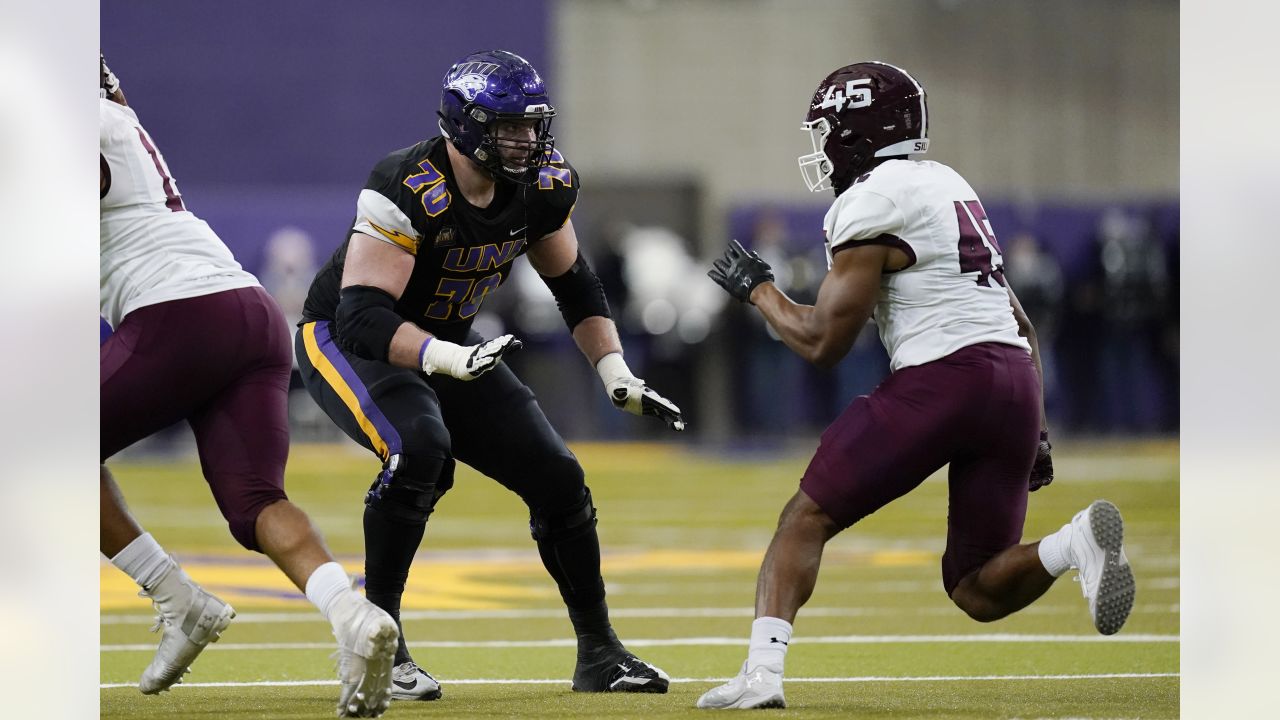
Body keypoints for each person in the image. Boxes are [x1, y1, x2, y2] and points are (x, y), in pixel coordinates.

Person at [699, 61, 1136, 710]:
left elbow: (824, 341)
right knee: (974, 587)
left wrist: (759, 291)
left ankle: (761, 676)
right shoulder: (948, 185)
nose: (821, 146)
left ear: (855, 132)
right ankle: (1074, 543)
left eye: (828, 131)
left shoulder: (872, 200)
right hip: (1014, 379)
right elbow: (1022, 324)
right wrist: (1036, 428)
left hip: (944, 379)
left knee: (805, 517)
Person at [294, 49, 684, 700]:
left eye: (532, 126)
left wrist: (614, 373)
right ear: (465, 125)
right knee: (420, 450)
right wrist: (446, 358)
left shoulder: (543, 185)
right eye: (509, 127)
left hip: (448, 343)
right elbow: (362, 316)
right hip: (345, 338)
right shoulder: (409, 184)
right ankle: (377, 643)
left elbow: (575, 285)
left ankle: (601, 654)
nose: (526, 141)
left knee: (558, 477)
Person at [99, 55, 399, 718]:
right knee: (256, 502)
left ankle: (176, 596)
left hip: (177, 314)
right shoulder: (116, 117)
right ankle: (352, 613)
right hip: (249, 312)